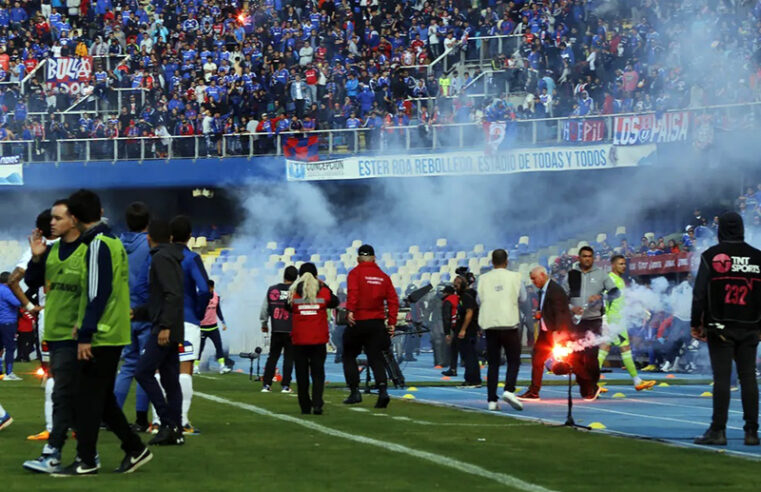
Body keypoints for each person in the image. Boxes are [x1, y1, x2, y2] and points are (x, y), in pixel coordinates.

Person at [56, 189, 151, 476]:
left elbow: (98, 293)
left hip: (103, 334)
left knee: (87, 398)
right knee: (101, 398)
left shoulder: (98, 244)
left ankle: (87, 460)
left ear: (74, 218)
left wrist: (86, 333)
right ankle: (135, 449)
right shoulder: (111, 241)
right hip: (112, 331)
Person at [22, 200, 84, 473]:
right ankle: (131, 447)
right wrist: (37, 257)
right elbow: (31, 281)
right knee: (63, 386)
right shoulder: (50, 251)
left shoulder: (88, 249)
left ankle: (55, 446)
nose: (53, 224)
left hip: (76, 328)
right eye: (52, 220)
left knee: (61, 386)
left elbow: (15, 279)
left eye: (58, 218)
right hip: (57, 327)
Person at [691, 212, 761, 446]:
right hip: (751, 326)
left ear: (720, 230)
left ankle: (718, 430)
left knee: (722, 379)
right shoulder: (758, 257)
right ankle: (752, 432)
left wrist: (695, 323)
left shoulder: (711, 256)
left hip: (720, 326)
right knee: (748, 377)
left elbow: (699, 294)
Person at [134, 219, 185, 447]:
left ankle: (167, 423)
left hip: (165, 329)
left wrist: (164, 325)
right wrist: (138, 313)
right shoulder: (171, 256)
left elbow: (171, 295)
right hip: (173, 327)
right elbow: (164, 297)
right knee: (170, 380)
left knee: (143, 371)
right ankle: (176, 430)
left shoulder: (160, 258)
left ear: (148, 237)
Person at [342, 244, 398, 408]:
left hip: (359, 320)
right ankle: (382, 391)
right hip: (377, 323)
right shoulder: (384, 276)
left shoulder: (355, 273)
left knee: (349, 355)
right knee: (376, 358)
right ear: (374, 258)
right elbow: (393, 301)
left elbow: (354, 292)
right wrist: (392, 322)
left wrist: (350, 311)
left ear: (359, 258)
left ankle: (354, 392)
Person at [113, 202, 153, 432]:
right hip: (145, 312)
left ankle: (114, 415)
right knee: (146, 368)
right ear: (147, 222)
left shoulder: (116, 244)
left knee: (128, 365)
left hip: (123, 312)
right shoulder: (149, 245)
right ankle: (140, 418)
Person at [170, 215, 211, 435]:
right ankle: (182, 421)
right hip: (187, 319)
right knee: (185, 370)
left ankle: (159, 420)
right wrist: (199, 311)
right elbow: (204, 289)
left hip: (161, 321)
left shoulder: (157, 256)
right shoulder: (191, 258)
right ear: (189, 236)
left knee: (161, 370)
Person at [566, 246, 619, 400]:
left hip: (594, 320)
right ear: (579, 258)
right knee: (575, 357)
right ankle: (588, 386)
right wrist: (572, 308)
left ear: (593, 258)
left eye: (590, 256)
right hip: (576, 321)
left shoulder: (601, 275)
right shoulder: (571, 275)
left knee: (590, 357)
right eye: (584, 256)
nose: (587, 259)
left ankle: (590, 386)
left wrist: (601, 298)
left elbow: (616, 292)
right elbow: (563, 296)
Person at [597, 255, 656, 391]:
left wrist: (640, 310)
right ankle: (636, 381)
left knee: (609, 349)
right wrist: (605, 320)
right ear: (613, 265)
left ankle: (637, 381)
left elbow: (622, 301)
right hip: (613, 322)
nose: (623, 266)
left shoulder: (620, 280)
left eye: (624, 264)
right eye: (620, 264)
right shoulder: (611, 279)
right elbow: (604, 300)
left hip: (618, 321)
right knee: (617, 349)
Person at [287, 263, 339, 415]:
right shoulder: (322, 290)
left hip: (300, 339)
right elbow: (334, 301)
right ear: (315, 275)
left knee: (301, 374)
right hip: (318, 339)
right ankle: (317, 404)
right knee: (318, 373)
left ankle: (304, 406)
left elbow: (287, 306)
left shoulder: (295, 291)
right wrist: (324, 285)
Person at [477, 249, 525, 411]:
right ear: (507, 261)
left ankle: (491, 400)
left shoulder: (483, 279)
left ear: (492, 262)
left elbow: (479, 299)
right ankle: (509, 389)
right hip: (509, 324)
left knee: (493, 364)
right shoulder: (515, 277)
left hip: (490, 325)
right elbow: (523, 298)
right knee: (513, 360)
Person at [519, 266, 571, 400]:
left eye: (534, 278)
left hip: (554, 331)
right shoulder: (544, 290)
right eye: (531, 279)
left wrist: (558, 333)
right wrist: (539, 314)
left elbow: (561, 312)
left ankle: (590, 385)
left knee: (572, 361)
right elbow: (548, 308)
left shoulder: (555, 290)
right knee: (537, 358)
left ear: (542, 275)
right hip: (545, 330)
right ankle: (534, 391)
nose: (533, 282)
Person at [260, 266, 297, 393]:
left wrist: (264, 323)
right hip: (291, 329)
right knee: (289, 358)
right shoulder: (296, 291)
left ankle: (266, 384)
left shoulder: (272, 289)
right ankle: (285, 385)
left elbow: (264, 309)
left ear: (284, 276)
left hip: (276, 328)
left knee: (273, 357)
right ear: (296, 277)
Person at [445, 275, 481, 388]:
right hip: (467, 329)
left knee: (469, 356)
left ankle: (473, 380)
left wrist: (463, 329)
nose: (455, 287)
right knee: (468, 356)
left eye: (457, 284)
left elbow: (469, 312)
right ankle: (471, 379)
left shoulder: (466, 296)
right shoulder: (465, 296)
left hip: (468, 330)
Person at [197, 280, 231, 375]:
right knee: (200, 348)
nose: (208, 290)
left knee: (219, 346)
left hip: (213, 327)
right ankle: (195, 367)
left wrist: (223, 322)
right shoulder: (200, 297)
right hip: (202, 327)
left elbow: (218, 310)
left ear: (212, 288)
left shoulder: (216, 297)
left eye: (209, 288)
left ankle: (222, 367)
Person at [0, 271, 21, 380]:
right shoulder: (7, 291)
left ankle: (0, 372)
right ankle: (9, 373)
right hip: (8, 322)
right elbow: (17, 302)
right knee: (10, 348)